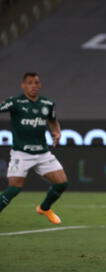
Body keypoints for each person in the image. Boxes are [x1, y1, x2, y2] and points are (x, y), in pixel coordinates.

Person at [0, 72, 69, 224]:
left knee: (62, 183)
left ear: (40, 85)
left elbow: (52, 120)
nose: (33, 86)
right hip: (21, 153)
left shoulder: (47, 103)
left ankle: (44, 208)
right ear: (23, 85)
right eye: (30, 83)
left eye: (36, 83)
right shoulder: (15, 102)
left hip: (42, 153)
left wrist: (56, 132)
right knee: (14, 188)